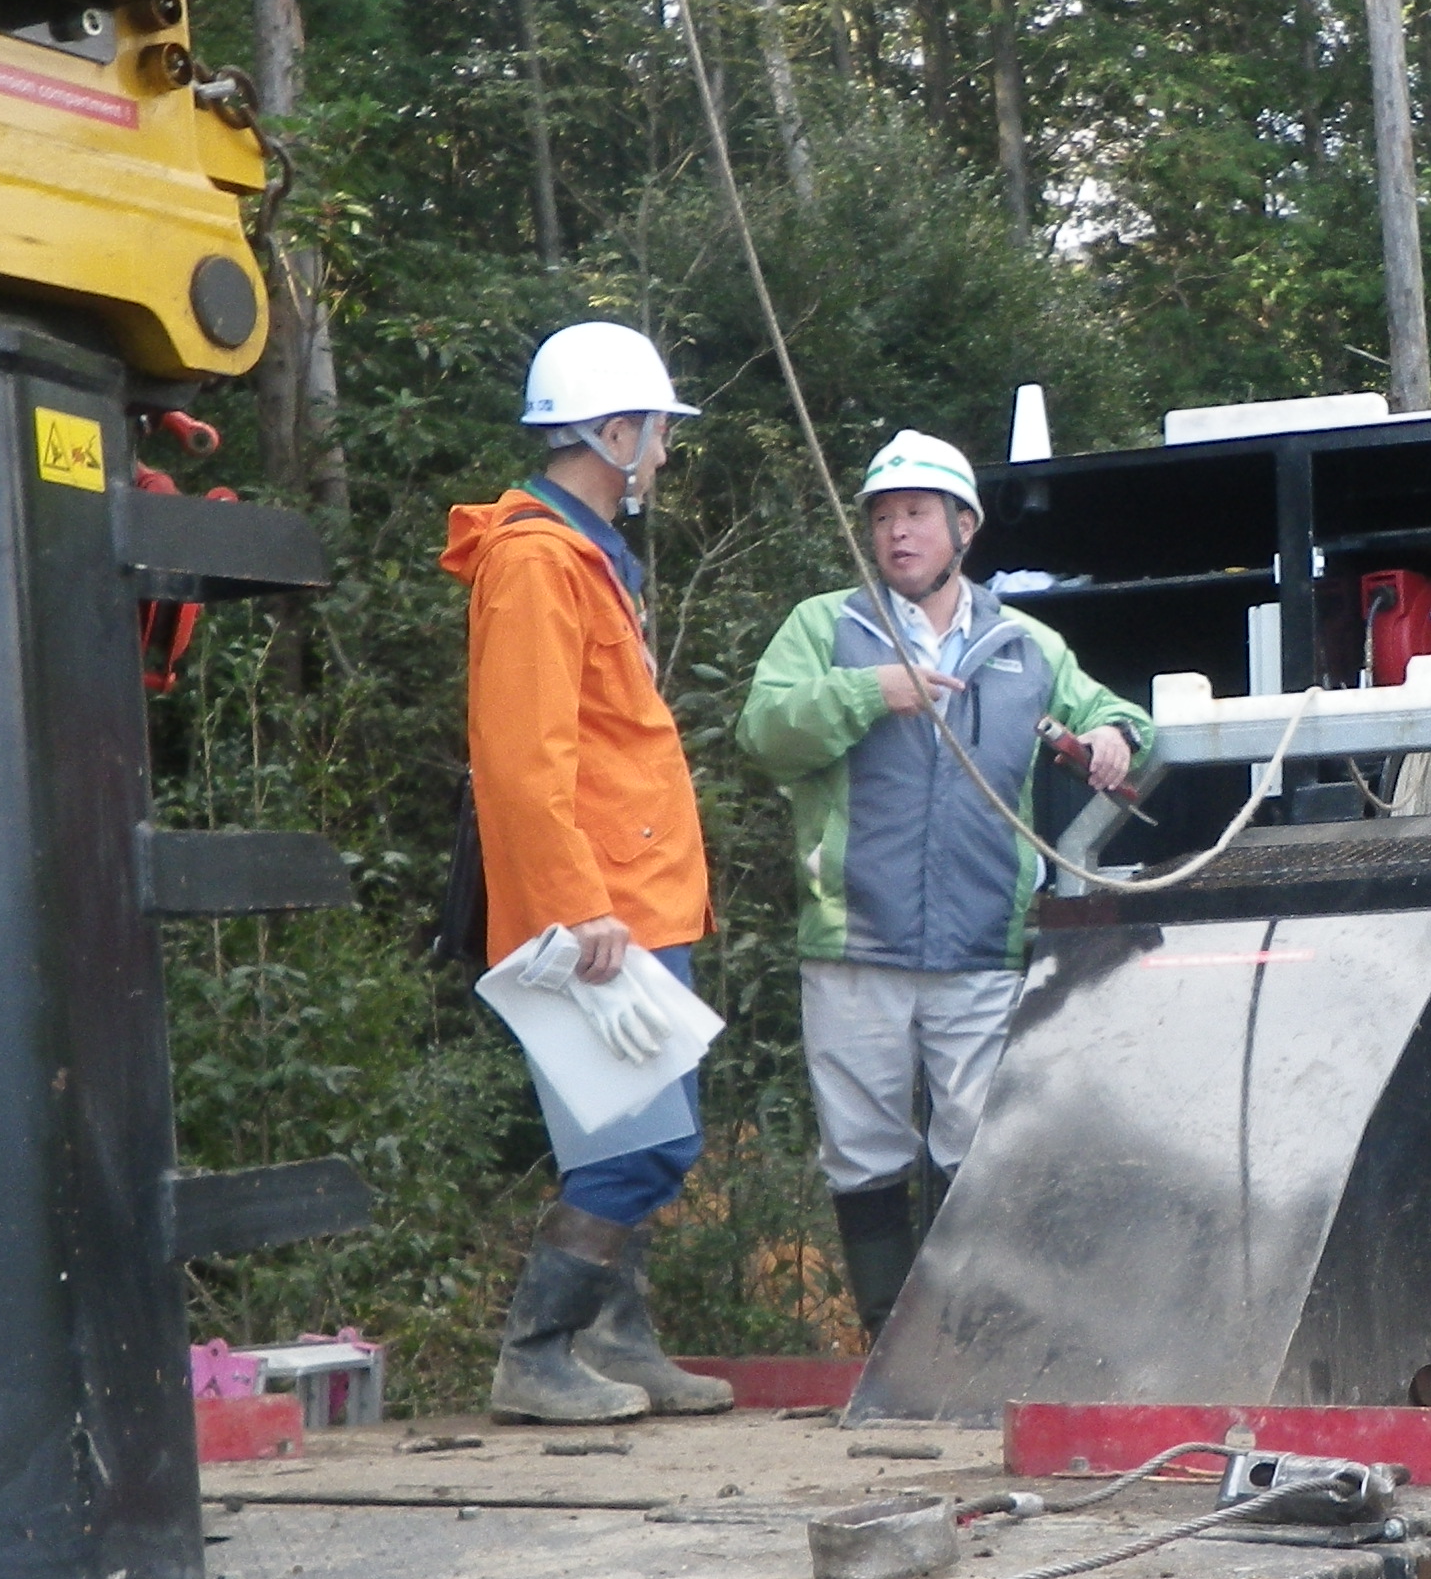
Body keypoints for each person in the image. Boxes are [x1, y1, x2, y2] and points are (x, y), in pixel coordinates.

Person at [738, 430, 1150, 1332]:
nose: (897, 533)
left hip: (980, 947)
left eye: (917, 514)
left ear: (965, 526)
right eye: (883, 517)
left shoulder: (1024, 644)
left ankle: (971, 1338)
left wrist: (1117, 733)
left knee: (980, 1144)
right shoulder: (825, 627)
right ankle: (892, 1339)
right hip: (854, 940)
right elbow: (762, 734)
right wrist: (865, 693)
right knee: (863, 1153)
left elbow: (1116, 717)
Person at [438, 321, 734, 1424]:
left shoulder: (582, 557)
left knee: (638, 1133)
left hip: (634, 898)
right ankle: (539, 1349)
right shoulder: (534, 562)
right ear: (613, 434)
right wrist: (575, 910)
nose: (661, 455)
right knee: (647, 1142)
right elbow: (520, 760)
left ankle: (618, 1337)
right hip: (600, 911)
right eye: (654, 434)